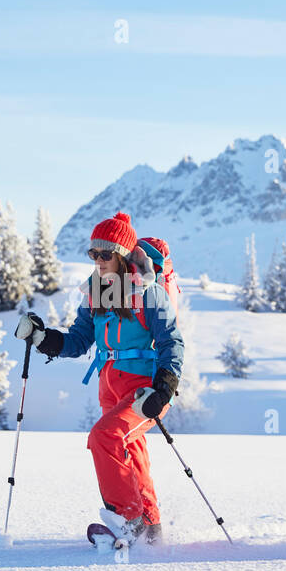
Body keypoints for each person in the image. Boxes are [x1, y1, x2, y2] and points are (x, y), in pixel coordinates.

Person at [15, 212, 184, 546]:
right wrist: (41, 338)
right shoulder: (96, 292)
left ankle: (127, 521)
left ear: (122, 255)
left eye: (106, 254)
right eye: (93, 254)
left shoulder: (149, 293)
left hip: (145, 389)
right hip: (110, 385)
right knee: (130, 453)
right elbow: (78, 341)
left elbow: (171, 342)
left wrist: (164, 389)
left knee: (104, 437)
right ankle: (151, 532)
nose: (98, 261)